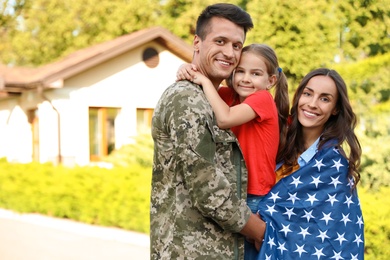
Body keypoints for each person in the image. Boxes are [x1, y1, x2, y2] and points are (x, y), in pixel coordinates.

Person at [150, 3, 266, 259]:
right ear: (197, 43)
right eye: (221, 41)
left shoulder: (215, 99)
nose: (229, 53)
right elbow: (208, 188)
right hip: (191, 251)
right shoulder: (187, 100)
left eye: (237, 46)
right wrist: (260, 231)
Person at [176, 43, 289, 259]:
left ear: (271, 80)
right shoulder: (229, 96)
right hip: (233, 193)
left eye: (255, 74)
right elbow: (198, 83)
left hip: (255, 195)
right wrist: (185, 68)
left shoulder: (263, 99)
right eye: (240, 71)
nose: (246, 79)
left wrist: (205, 81)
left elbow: (225, 118)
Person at [256, 68, 364, 259]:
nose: (312, 104)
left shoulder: (332, 166)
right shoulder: (278, 138)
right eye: (308, 94)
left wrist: (235, 215)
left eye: (324, 99)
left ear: (335, 109)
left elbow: (312, 240)